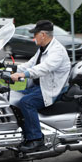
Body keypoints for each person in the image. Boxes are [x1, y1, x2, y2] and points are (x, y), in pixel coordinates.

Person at [10, 20, 71, 153]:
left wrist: (22, 75)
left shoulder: (57, 51)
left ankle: (37, 140)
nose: (33, 37)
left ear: (43, 34)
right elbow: (31, 64)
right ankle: (25, 135)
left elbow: (44, 68)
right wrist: (11, 69)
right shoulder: (43, 49)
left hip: (54, 89)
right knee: (12, 97)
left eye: (35, 34)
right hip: (40, 86)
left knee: (26, 102)